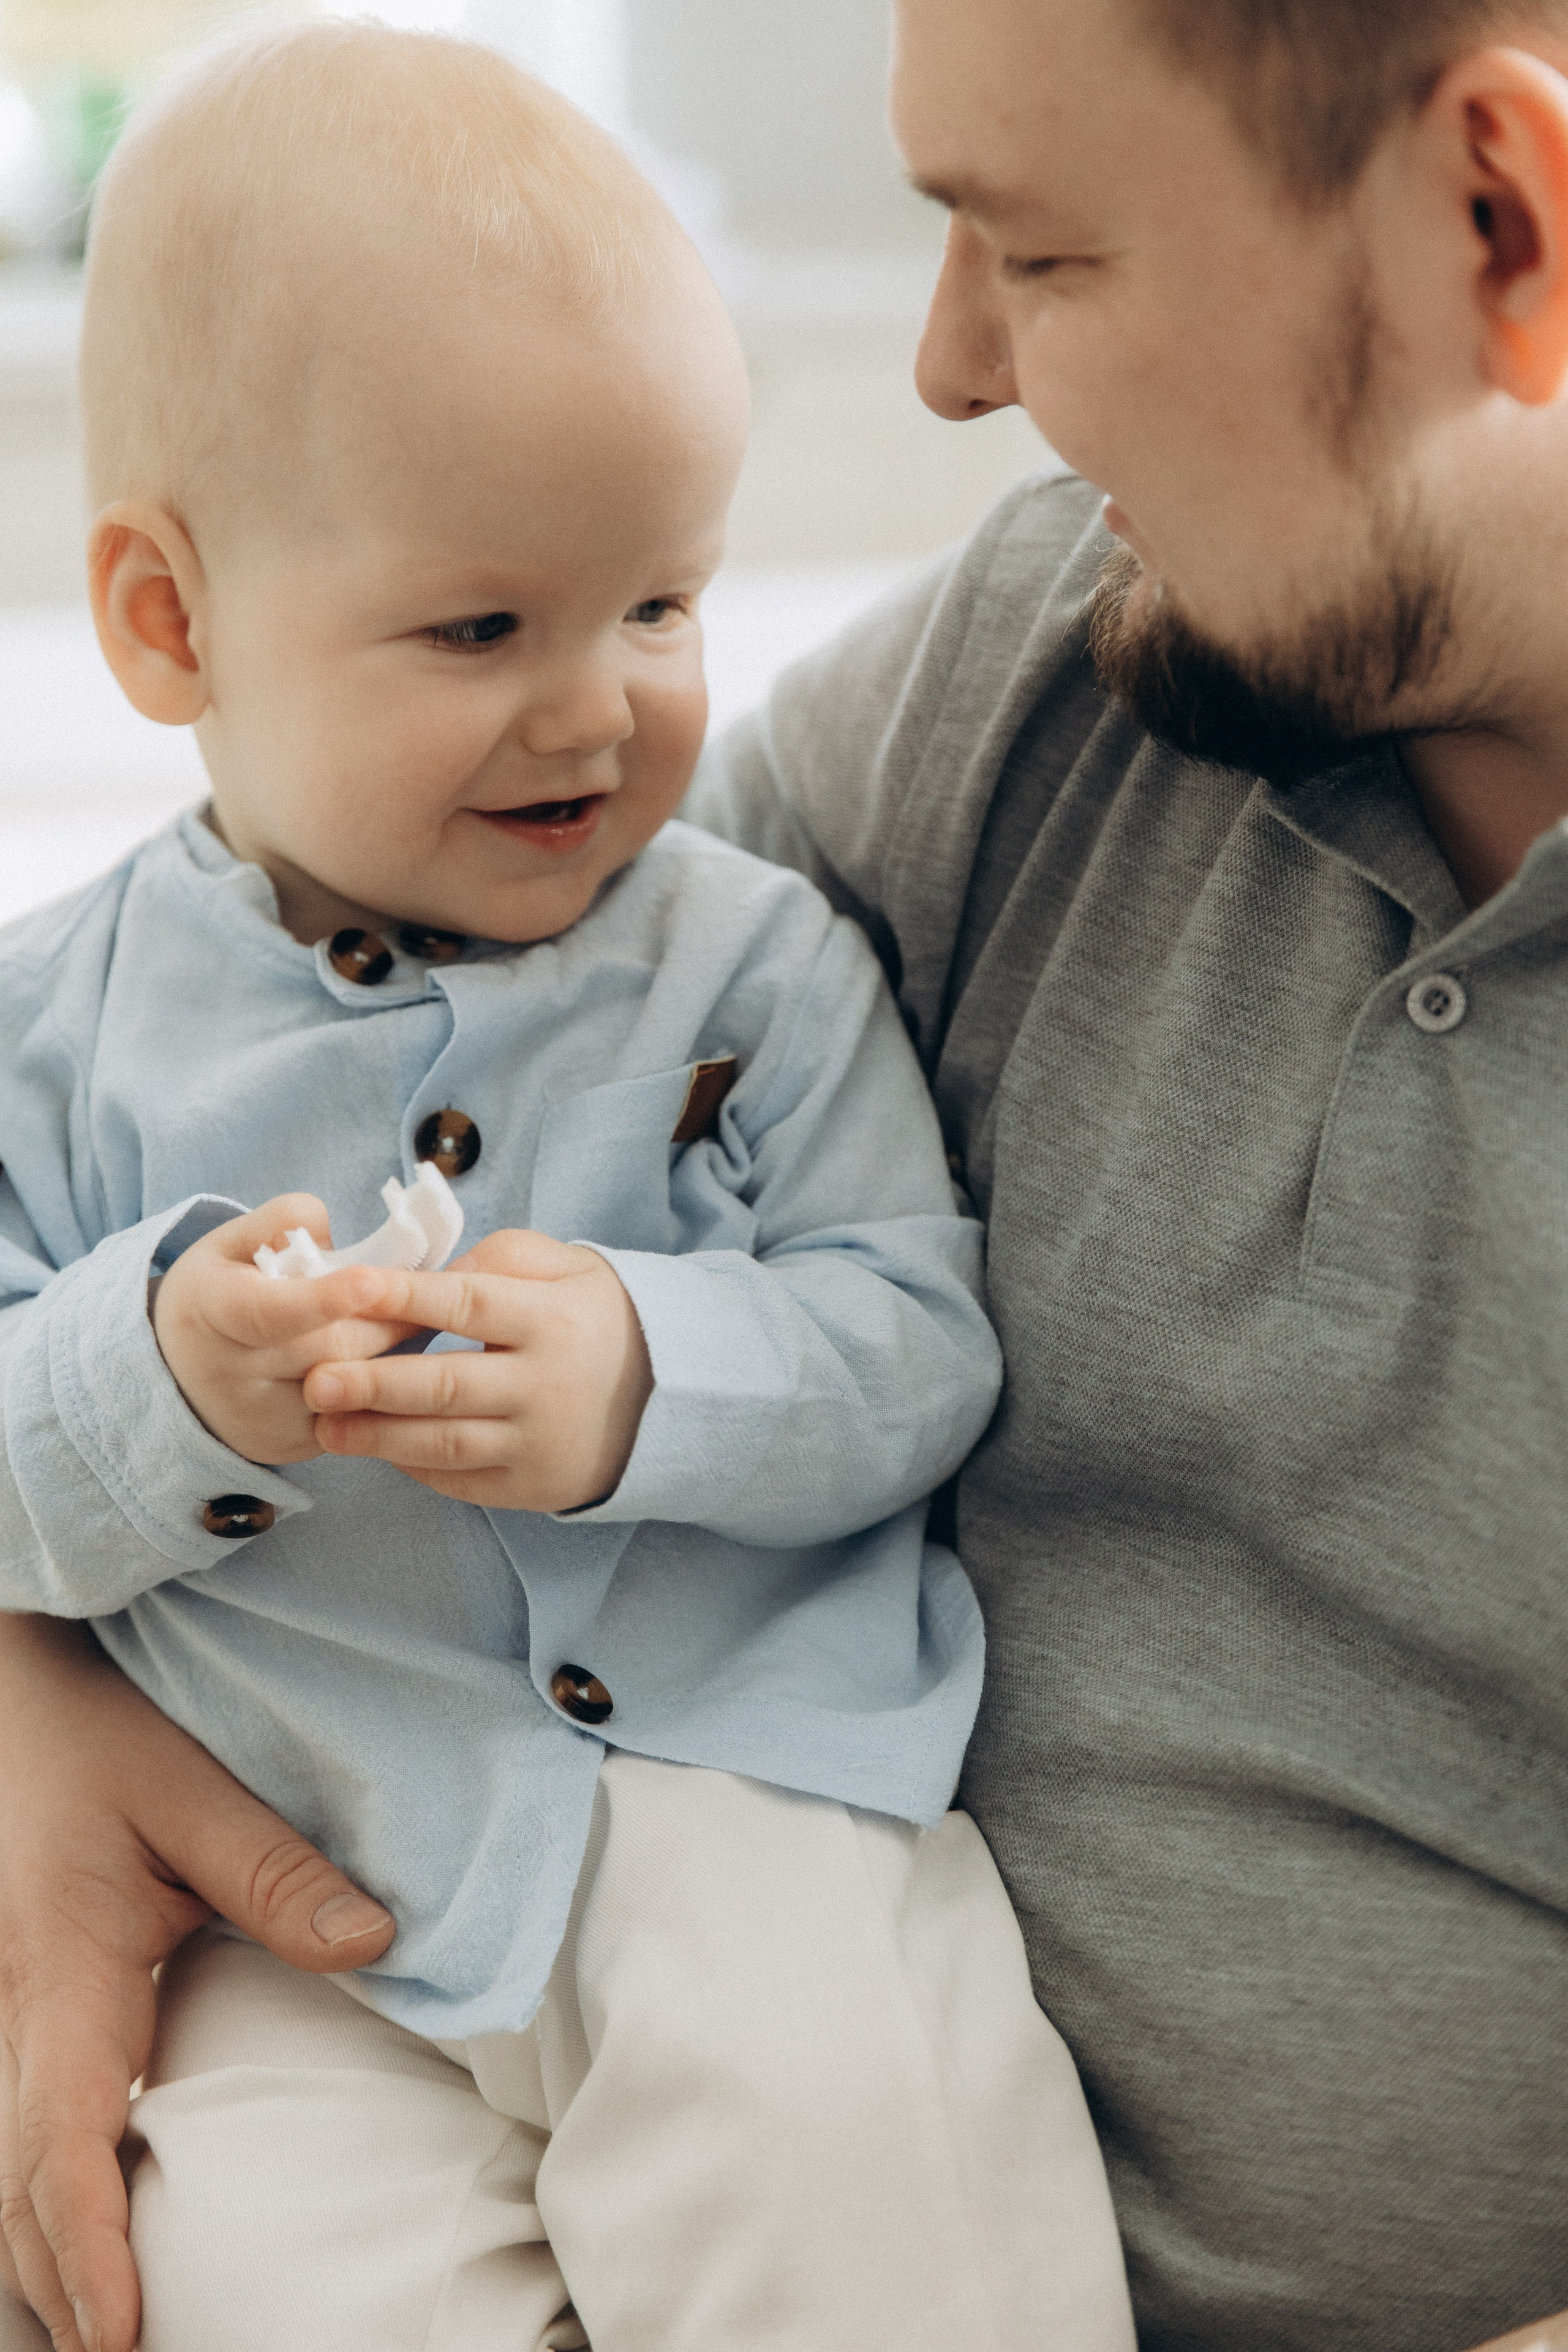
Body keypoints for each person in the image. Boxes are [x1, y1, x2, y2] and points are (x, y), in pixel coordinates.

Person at [4, 0, 1568, 2345]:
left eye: (1036, 254)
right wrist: (43, 1659)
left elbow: (870, 1314)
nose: (946, 371)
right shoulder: (1053, 669)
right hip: (349, 1910)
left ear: (1501, 221)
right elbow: (498, 974)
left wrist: (650, 1377)